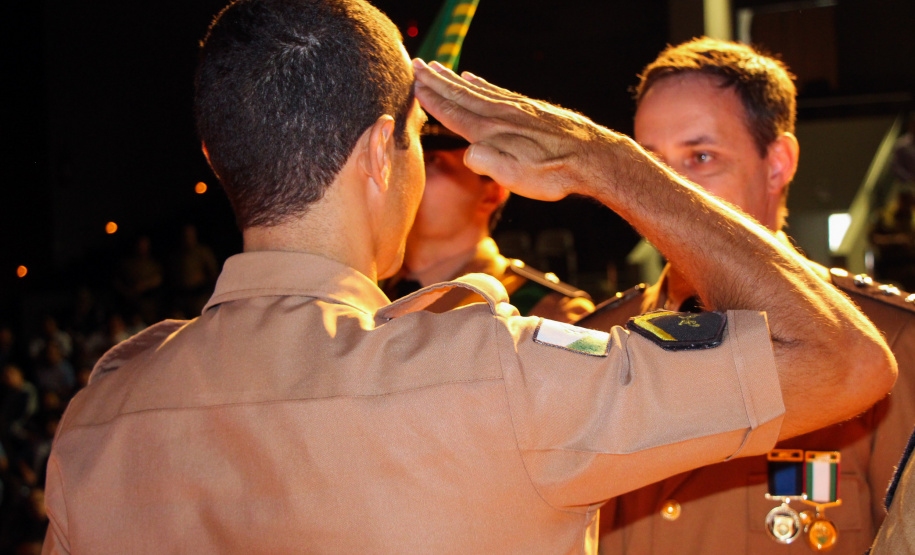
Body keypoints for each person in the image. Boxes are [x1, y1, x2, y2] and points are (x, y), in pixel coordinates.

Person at [41, 2, 895, 553]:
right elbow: (840, 358)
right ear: (383, 154)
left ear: (217, 160)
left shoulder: (96, 419)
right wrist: (611, 166)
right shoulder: (499, 372)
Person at [581, 38, 915, 554]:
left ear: (777, 163)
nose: (666, 189)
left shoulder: (890, 344)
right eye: (648, 166)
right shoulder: (595, 340)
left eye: (701, 157)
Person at [383, 122, 594, 322]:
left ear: (492, 194)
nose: (408, 175)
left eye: (431, 160)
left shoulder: (549, 313)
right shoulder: (369, 293)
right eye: (399, 163)